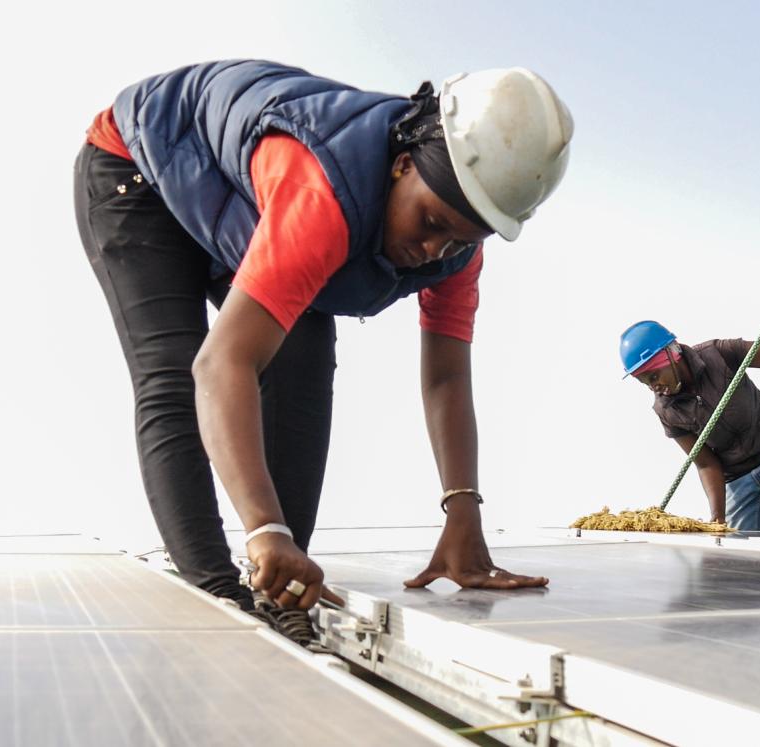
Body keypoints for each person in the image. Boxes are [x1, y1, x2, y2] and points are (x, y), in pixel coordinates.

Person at [74, 60, 573, 625]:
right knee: (173, 370)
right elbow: (220, 366)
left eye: (461, 239)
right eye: (430, 221)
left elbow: (447, 376)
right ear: (403, 165)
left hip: (238, 198)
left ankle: (280, 586)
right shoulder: (322, 194)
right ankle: (215, 588)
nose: (436, 249)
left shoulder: (457, 244)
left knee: (304, 348)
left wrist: (463, 514)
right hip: (139, 169)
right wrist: (264, 528)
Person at [619, 272, 760, 534]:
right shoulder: (666, 410)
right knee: (736, 552)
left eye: (654, 375)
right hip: (736, 476)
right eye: (644, 381)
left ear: (672, 353)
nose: (653, 385)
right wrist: (717, 520)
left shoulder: (719, 353)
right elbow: (706, 463)